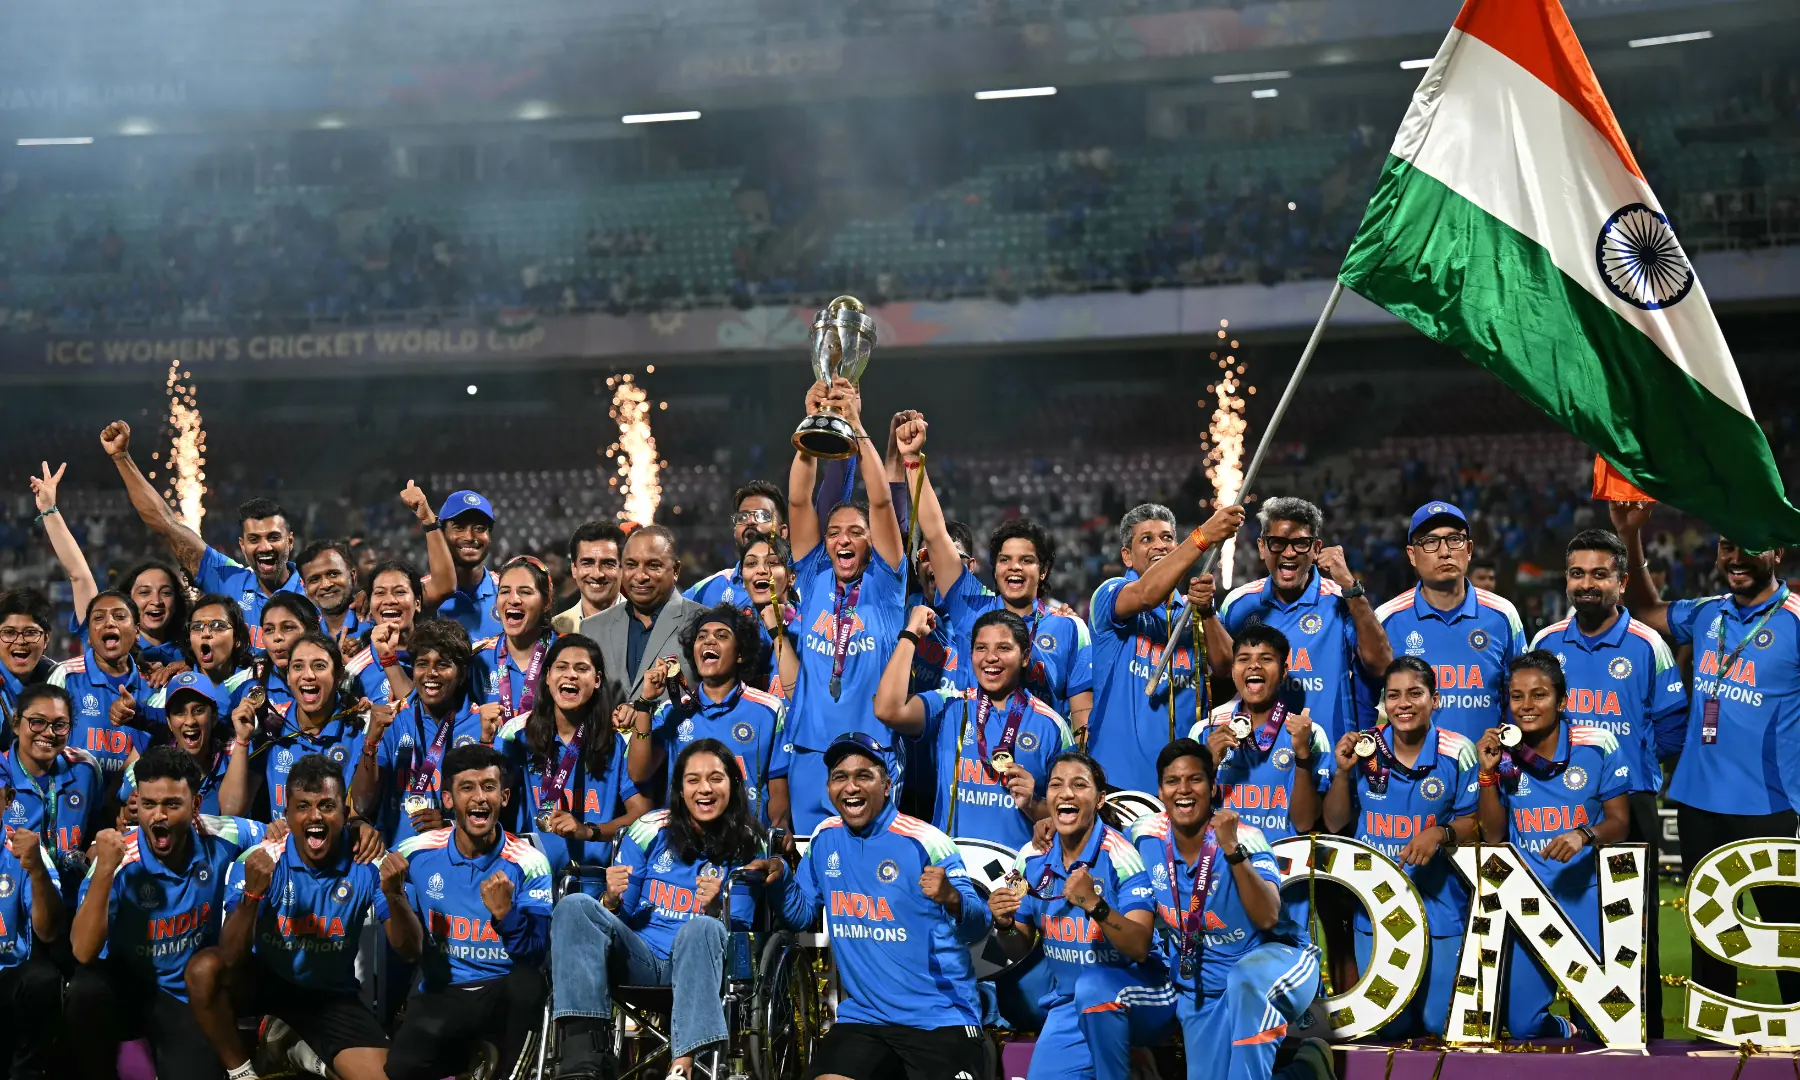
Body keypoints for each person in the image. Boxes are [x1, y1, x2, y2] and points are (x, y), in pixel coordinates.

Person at [1610, 501, 1800, 1002]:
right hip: (1696, 801)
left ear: (1777, 553)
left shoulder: (1797, 620)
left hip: (1771, 806)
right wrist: (1631, 539)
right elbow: (1647, 615)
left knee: (1788, 936)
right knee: (1709, 938)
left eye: (1749, 547)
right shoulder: (1708, 613)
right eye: (1726, 546)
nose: (1735, 557)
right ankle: (1712, 1050)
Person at [551, 740, 785, 1080]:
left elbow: (740, 936)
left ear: (734, 785)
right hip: (643, 960)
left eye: (715, 778)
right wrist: (611, 901)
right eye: (693, 780)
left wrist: (719, 908)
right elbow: (621, 918)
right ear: (679, 788)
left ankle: (684, 1065)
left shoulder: (751, 841)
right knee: (575, 906)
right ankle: (582, 1059)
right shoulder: (650, 828)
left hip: (704, 966)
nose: (704, 789)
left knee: (700, 928)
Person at [1530, 527, 1684, 1033]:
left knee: (1635, 935)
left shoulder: (1647, 645)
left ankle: (1647, 1045)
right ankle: (1582, 1045)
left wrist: (1623, 768)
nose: (1587, 584)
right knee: (1574, 932)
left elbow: (1671, 730)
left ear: (1621, 582)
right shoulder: (1546, 643)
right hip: (1560, 806)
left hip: (1629, 806)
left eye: (1600, 574)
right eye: (1578, 574)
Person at [777, 732, 993, 1080]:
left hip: (939, 1017)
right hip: (864, 1019)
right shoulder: (824, 838)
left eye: (864, 776)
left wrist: (952, 898)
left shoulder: (925, 842)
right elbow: (801, 915)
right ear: (829, 789)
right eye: (840, 777)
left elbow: (979, 926)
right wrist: (780, 881)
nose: (851, 787)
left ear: (887, 784)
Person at [1130, 740, 1331, 1080]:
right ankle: (1307, 1072)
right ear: (1161, 791)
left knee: (1245, 981)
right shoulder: (1143, 836)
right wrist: (1046, 827)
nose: (1183, 790)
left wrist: (1232, 851)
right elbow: (1101, 842)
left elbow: (1268, 916)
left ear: (1213, 788)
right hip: (1202, 989)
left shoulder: (1246, 838)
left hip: (1274, 966)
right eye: (1172, 781)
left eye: (1194, 779)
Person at [185, 753, 391, 1080]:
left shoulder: (366, 860)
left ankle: (293, 1047)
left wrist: (395, 894)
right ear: (287, 815)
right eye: (303, 806)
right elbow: (230, 956)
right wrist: (252, 896)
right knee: (203, 971)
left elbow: (409, 949)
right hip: (264, 981)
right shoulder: (263, 858)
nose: (315, 817)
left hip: (330, 996)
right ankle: (243, 1073)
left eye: (327, 806)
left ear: (344, 812)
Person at [68, 746, 266, 1079]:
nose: (158, 816)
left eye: (172, 804)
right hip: (126, 983)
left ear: (195, 806)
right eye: (148, 804)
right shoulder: (119, 856)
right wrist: (104, 869)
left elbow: (278, 835)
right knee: (84, 992)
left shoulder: (222, 832)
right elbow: (83, 951)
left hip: (181, 994)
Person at [1472, 651, 1630, 1039]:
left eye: (1539, 695)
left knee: (1606, 1027)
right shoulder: (1505, 751)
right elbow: (1493, 836)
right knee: (1523, 1028)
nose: (1526, 706)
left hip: (1588, 896)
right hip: (1530, 901)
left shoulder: (1597, 743)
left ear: (1562, 701)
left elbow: (1620, 823)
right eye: (1517, 696)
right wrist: (1487, 774)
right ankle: (1565, 1029)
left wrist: (1583, 834)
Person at [1322, 657, 1481, 1037]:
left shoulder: (1458, 751)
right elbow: (1332, 821)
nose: (1403, 703)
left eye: (1415, 693)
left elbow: (1476, 824)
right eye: (1393, 695)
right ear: (1384, 703)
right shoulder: (1364, 749)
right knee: (1390, 1027)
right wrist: (1343, 773)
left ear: (1435, 699)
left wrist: (1440, 834)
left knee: (1437, 1023)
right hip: (1376, 905)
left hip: (1439, 902)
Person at [782, 383, 910, 832]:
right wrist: (812, 427)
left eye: (856, 532)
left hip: (874, 755)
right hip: (811, 752)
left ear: (872, 540)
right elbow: (799, 500)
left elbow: (879, 501)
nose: (842, 539)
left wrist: (856, 427)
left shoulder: (887, 582)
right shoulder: (814, 574)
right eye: (834, 531)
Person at [987, 752, 1162, 1080]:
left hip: (1139, 994)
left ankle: (1130, 1056)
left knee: (1095, 985)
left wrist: (1095, 905)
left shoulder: (1123, 857)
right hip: (1069, 1004)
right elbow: (1014, 949)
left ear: (1099, 799)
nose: (1066, 793)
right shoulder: (1031, 859)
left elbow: (1139, 947)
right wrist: (1004, 925)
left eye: (1079, 785)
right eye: (1056, 785)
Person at [386, 744, 553, 1080]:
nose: (479, 798)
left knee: (528, 983)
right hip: (442, 989)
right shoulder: (414, 853)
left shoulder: (529, 862)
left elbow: (535, 953)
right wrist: (393, 896)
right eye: (467, 788)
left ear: (504, 798)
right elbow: (405, 947)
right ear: (448, 800)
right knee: (401, 1069)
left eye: (489, 788)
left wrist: (507, 916)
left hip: (502, 991)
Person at [914, 451, 1094, 730]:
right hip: (973, 756)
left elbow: (1081, 713)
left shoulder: (1070, 629)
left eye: (1027, 560)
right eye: (1005, 559)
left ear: (1043, 570)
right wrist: (914, 461)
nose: (1015, 568)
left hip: (1038, 760)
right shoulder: (971, 606)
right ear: (994, 568)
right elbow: (936, 534)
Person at [875, 606, 1073, 849]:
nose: (990, 657)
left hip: (1017, 877)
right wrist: (910, 635)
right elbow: (888, 710)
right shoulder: (949, 705)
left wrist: (1033, 804)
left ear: (1025, 656)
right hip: (952, 873)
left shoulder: (1052, 725)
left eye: (1003, 648)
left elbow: (1070, 816)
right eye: (981, 648)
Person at [1087, 502, 1245, 794]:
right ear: (1127, 556)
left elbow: (1226, 668)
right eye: (1146, 539)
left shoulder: (1193, 608)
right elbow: (1147, 593)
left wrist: (1207, 612)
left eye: (1167, 537)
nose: (1159, 545)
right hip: (1118, 784)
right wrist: (1203, 536)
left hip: (1184, 785)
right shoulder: (1110, 595)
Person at [102, 421, 302, 644]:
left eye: (274, 537)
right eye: (254, 539)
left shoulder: (314, 592)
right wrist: (121, 458)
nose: (265, 547)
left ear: (290, 541)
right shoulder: (228, 580)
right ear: (242, 545)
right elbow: (166, 525)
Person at [1217, 497, 1391, 745]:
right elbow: (1219, 677)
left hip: (1331, 762)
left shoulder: (1343, 600)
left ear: (1316, 548)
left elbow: (1383, 665)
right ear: (1262, 547)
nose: (1289, 552)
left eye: (1300, 544)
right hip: (1259, 766)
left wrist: (1351, 588)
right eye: (1277, 542)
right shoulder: (1238, 605)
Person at [627, 605, 791, 831]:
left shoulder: (770, 710)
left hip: (747, 842)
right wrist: (644, 704)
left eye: (722, 636)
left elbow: (778, 790)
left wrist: (777, 834)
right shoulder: (672, 711)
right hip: (685, 843)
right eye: (702, 636)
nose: (709, 641)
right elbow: (638, 773)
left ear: (740, 653)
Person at [496, 635, 650, 870]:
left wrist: (589, 831)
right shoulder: (518, 737)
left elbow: (640, 814)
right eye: (561, 667)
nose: (571, 675)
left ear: (597, 680)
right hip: (529, 880)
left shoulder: (616, 742)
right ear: (547, 677)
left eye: (582, 668)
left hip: (593, 883)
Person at [1375, 502, 1525, 743]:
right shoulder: (1386, 619)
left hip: (1485, 772)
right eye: (1430, 542)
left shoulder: (1503, 615)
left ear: (1469, 549)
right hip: (1411, 775)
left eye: (1454, 540)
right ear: (1412, 555)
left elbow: (1518, 697)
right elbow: (1367, 699)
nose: (1444, 552)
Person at [354, 618, 502, 847]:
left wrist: (452, 827)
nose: (431, 673)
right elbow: (362, 805)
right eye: (422, 664)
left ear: (461, 674)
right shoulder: (393, 720)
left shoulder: (480, 726)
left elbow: (497, 812)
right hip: (394, 862)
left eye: (442, 665)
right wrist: (371, 742)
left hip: (453, 860)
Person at [1192, 625, 1331, 843]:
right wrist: (1208, 765)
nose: (1254, 665)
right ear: (1232, 670)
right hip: (1220, 858)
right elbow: (1187, 812)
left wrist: (1303, 757)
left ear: (1284, 671)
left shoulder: (1310, 733)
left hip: (1283, 863)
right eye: (1244, 659)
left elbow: (1304, 823)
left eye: (1266, 659)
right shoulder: (1204, 731)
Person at [580, 526, 705, 719]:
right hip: (607, 747)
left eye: (653, 565)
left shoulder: (704, 623)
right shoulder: (591, 629)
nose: (640, 576)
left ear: (676, 570)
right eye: (631, 565)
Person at [4, 683, 102, 906]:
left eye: (59, 725)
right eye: (37, 722)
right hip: (16, 908)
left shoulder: (85, 769)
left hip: (75, 905)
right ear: (16, 723)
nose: (49, 733)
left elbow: (95, 828)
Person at [258, 633, 371, 816]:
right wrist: (241, 740)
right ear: (288, 676)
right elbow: (232, 808)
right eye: (297, 666)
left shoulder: (361, 727)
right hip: (283, 842)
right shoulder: (268, 725)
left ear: (339, 676)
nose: (308, 675)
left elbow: (363, 807)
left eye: (319, 666)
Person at [49, 591, 151, 787]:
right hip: (74, 804)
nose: (109, 623)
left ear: (137, 632)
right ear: (88, 635)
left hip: (131, 807)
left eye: (120, 616)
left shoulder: (153, 685)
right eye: (98, 617)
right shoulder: (66, 675)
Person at [0, 766, 64, 1080]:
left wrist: (37, 870)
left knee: (43, 979)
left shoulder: (25, 851)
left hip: (9, 978)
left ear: (8, 799)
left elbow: (48, 931)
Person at [118, 671, 254, 818]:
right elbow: (121, 814)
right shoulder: (150, 769)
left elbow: (231, 813)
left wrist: (242, 739)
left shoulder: (231, 759)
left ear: (214, 718)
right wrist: (127, 816)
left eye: (199, 710)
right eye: (179, 712)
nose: (190, 721)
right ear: (169, 722)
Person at [473, 556, 558, 721]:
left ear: (546, 602)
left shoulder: (565, 655)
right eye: (504, 591)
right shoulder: (478, 660)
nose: (513, 600)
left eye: (525, 592)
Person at [414, 485, 503, 641]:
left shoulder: (506, 591)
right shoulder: (419, 593)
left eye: (480, 528)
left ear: (489, 536)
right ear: (441, 534)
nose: (470, 536)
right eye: (459, 527)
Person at [685, 480, 790, 606]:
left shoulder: (806, 581)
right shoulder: (710, 588)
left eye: (762, 515)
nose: (750, 521)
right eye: (743, 517)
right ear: (735, 532)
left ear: (783, 532)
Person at [347, 558, 424, 705]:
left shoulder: (439, 655)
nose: (389, 600)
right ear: (369, 605)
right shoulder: (355, 670)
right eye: (380, 593)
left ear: (417, 603)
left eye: (400, 592)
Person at [0, 590, 57, 742]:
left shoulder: (59, 678)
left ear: (46, 638)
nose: (20, 641)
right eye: (9, 632)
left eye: (30, 632)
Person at [553, 521, 627, 635]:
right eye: (587, 563)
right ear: (574, 569)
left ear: (623, 568)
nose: (597, 574)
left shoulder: (646, 625)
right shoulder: (555, 631)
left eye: (608, 563)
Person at [297, 539, 367, 644]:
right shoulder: (307, 638)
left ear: (353, 577)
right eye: (314, 579)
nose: (326, 585)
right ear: (305, 588)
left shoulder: (375, 621)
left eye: (333, 574)